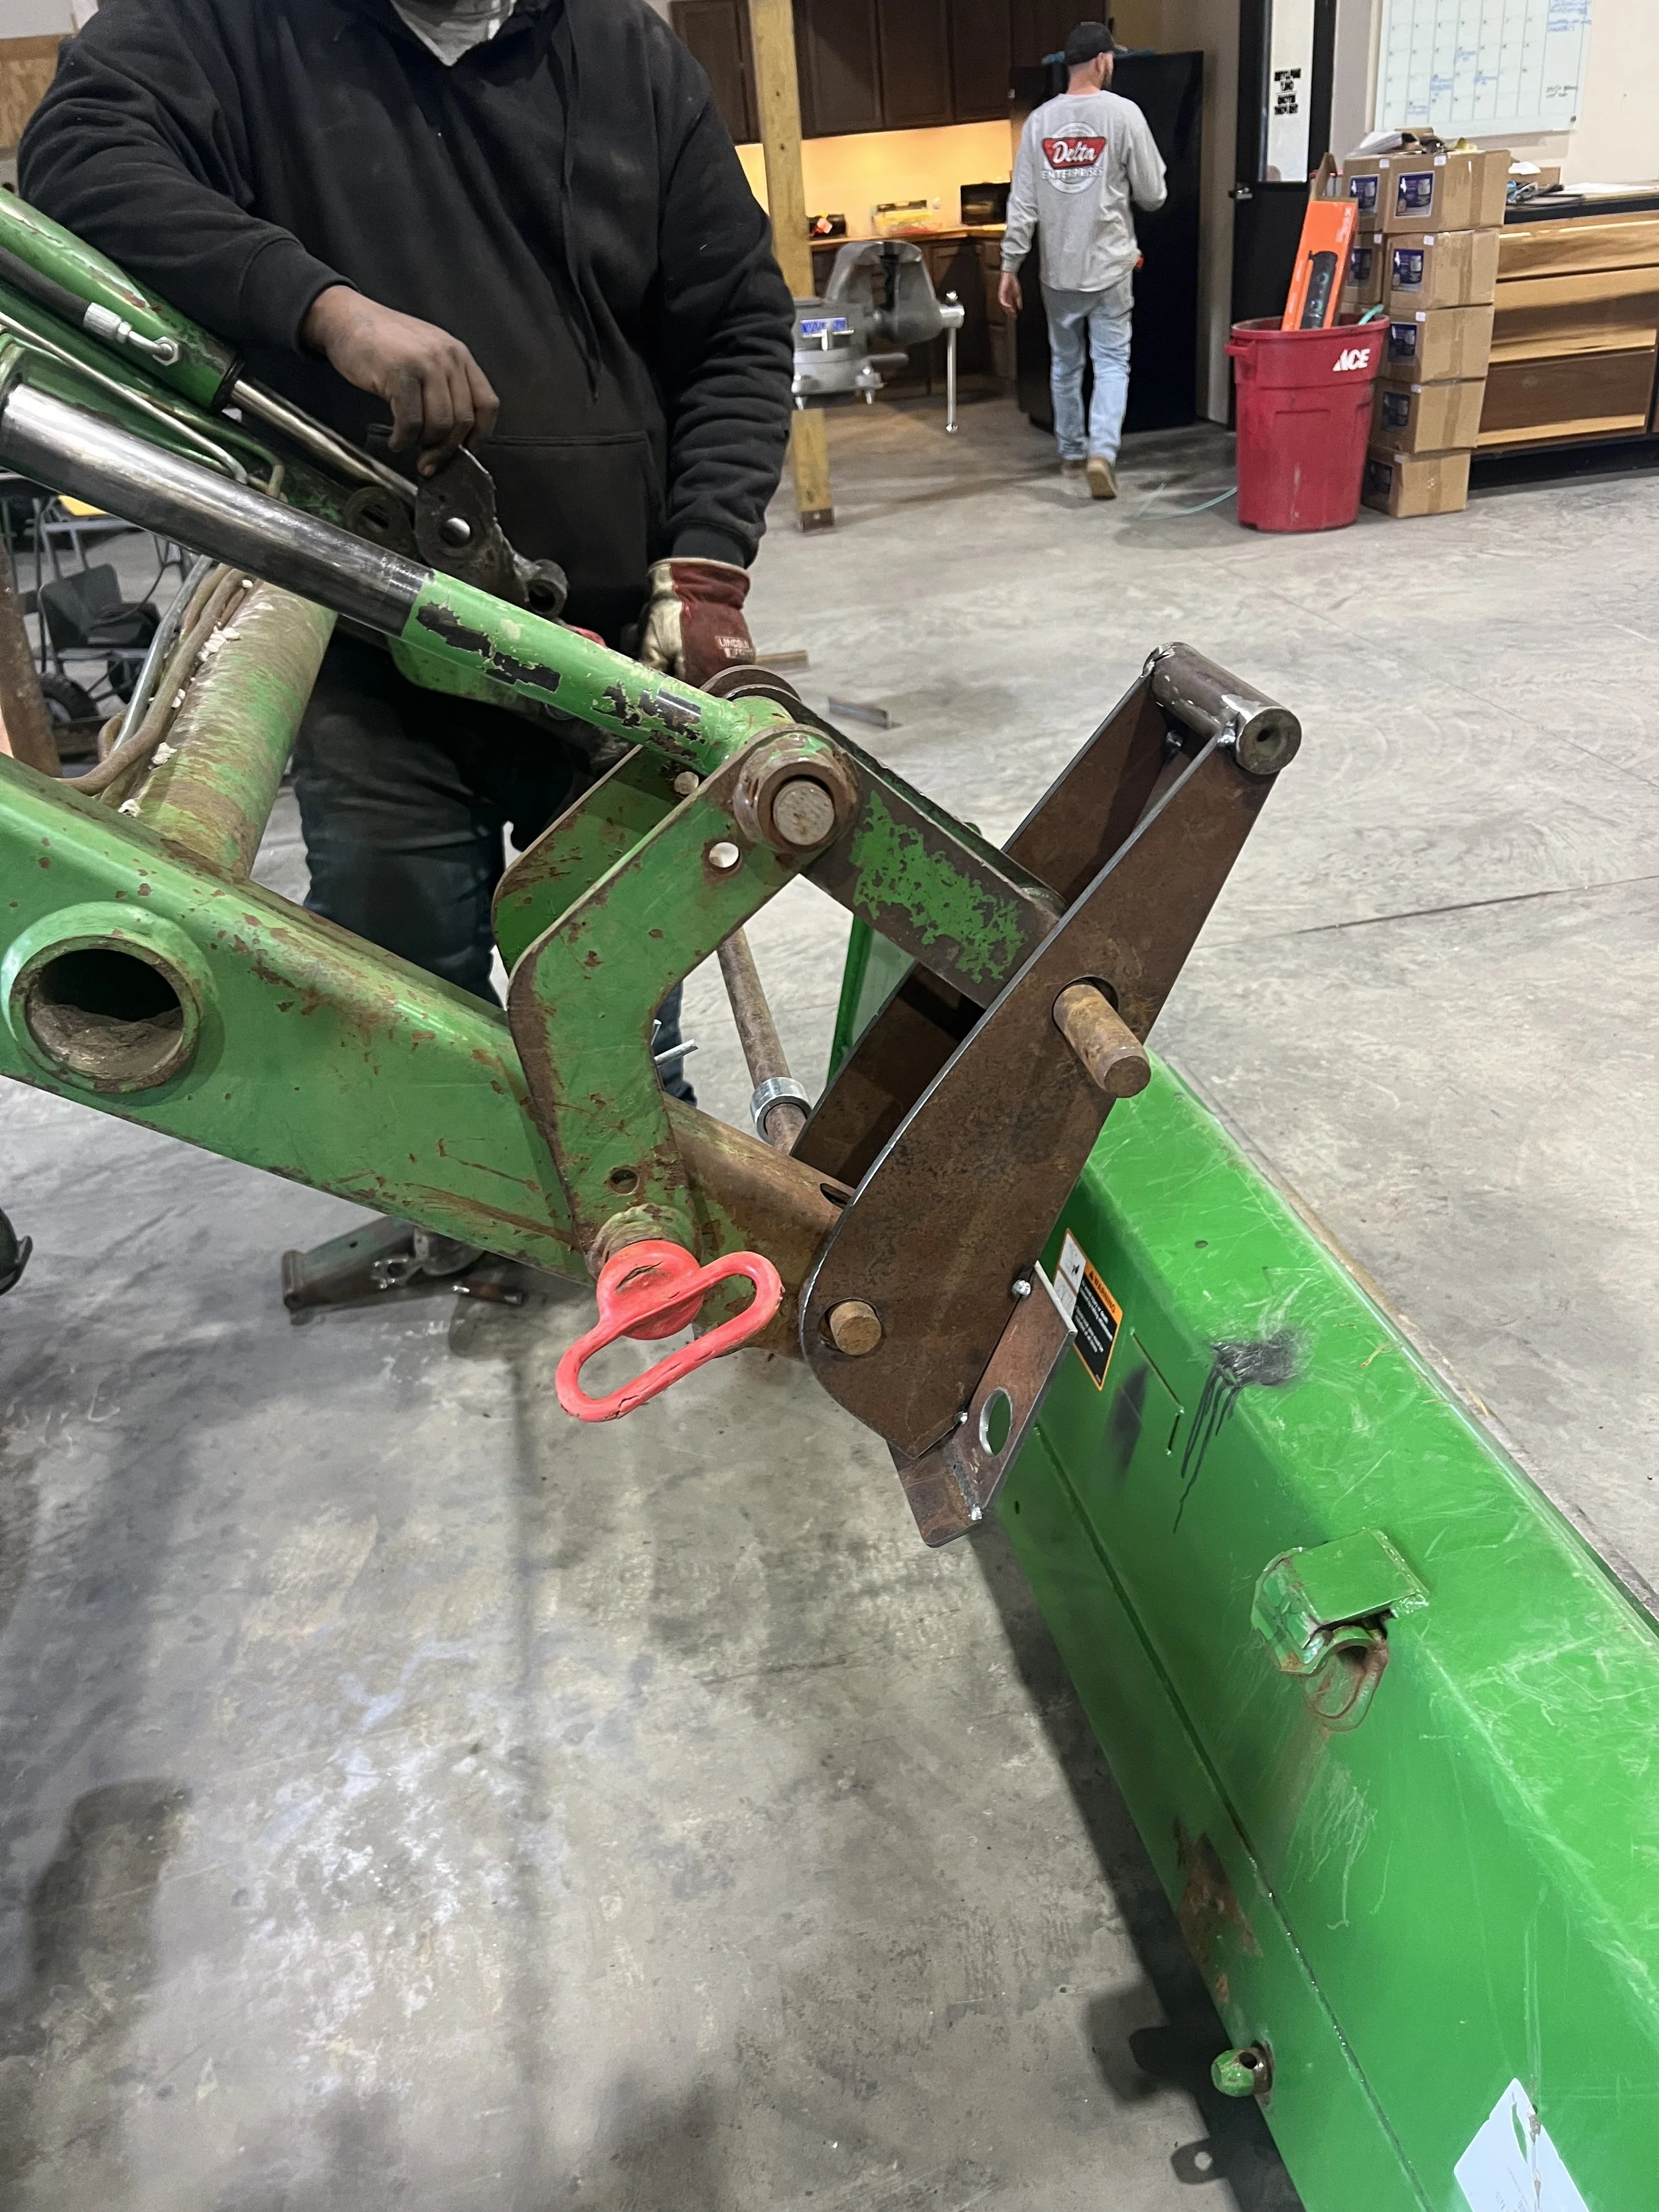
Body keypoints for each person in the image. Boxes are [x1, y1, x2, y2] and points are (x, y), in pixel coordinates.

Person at [20, 0, 798, 1093]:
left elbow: (736, 327)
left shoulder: (628, 55)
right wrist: (325, 310)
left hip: (607, 640)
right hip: (358, 634)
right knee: (406, 1004)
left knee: (614, 978)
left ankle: (638, 1173)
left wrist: (707, 558)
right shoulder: (225, 24)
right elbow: (80, 156)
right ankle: (462, 1215)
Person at [998, 20, 1166, 500]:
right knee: (1112, 362)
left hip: (1058, 271)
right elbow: (1154, 194)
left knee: (1065, 363)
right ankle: (1102, 453)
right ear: (1103, 61)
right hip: (1111, 265)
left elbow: (1023, 203)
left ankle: (1071, 451)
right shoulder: (1124, 114)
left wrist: (1010, 267)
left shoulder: (1039, 123)